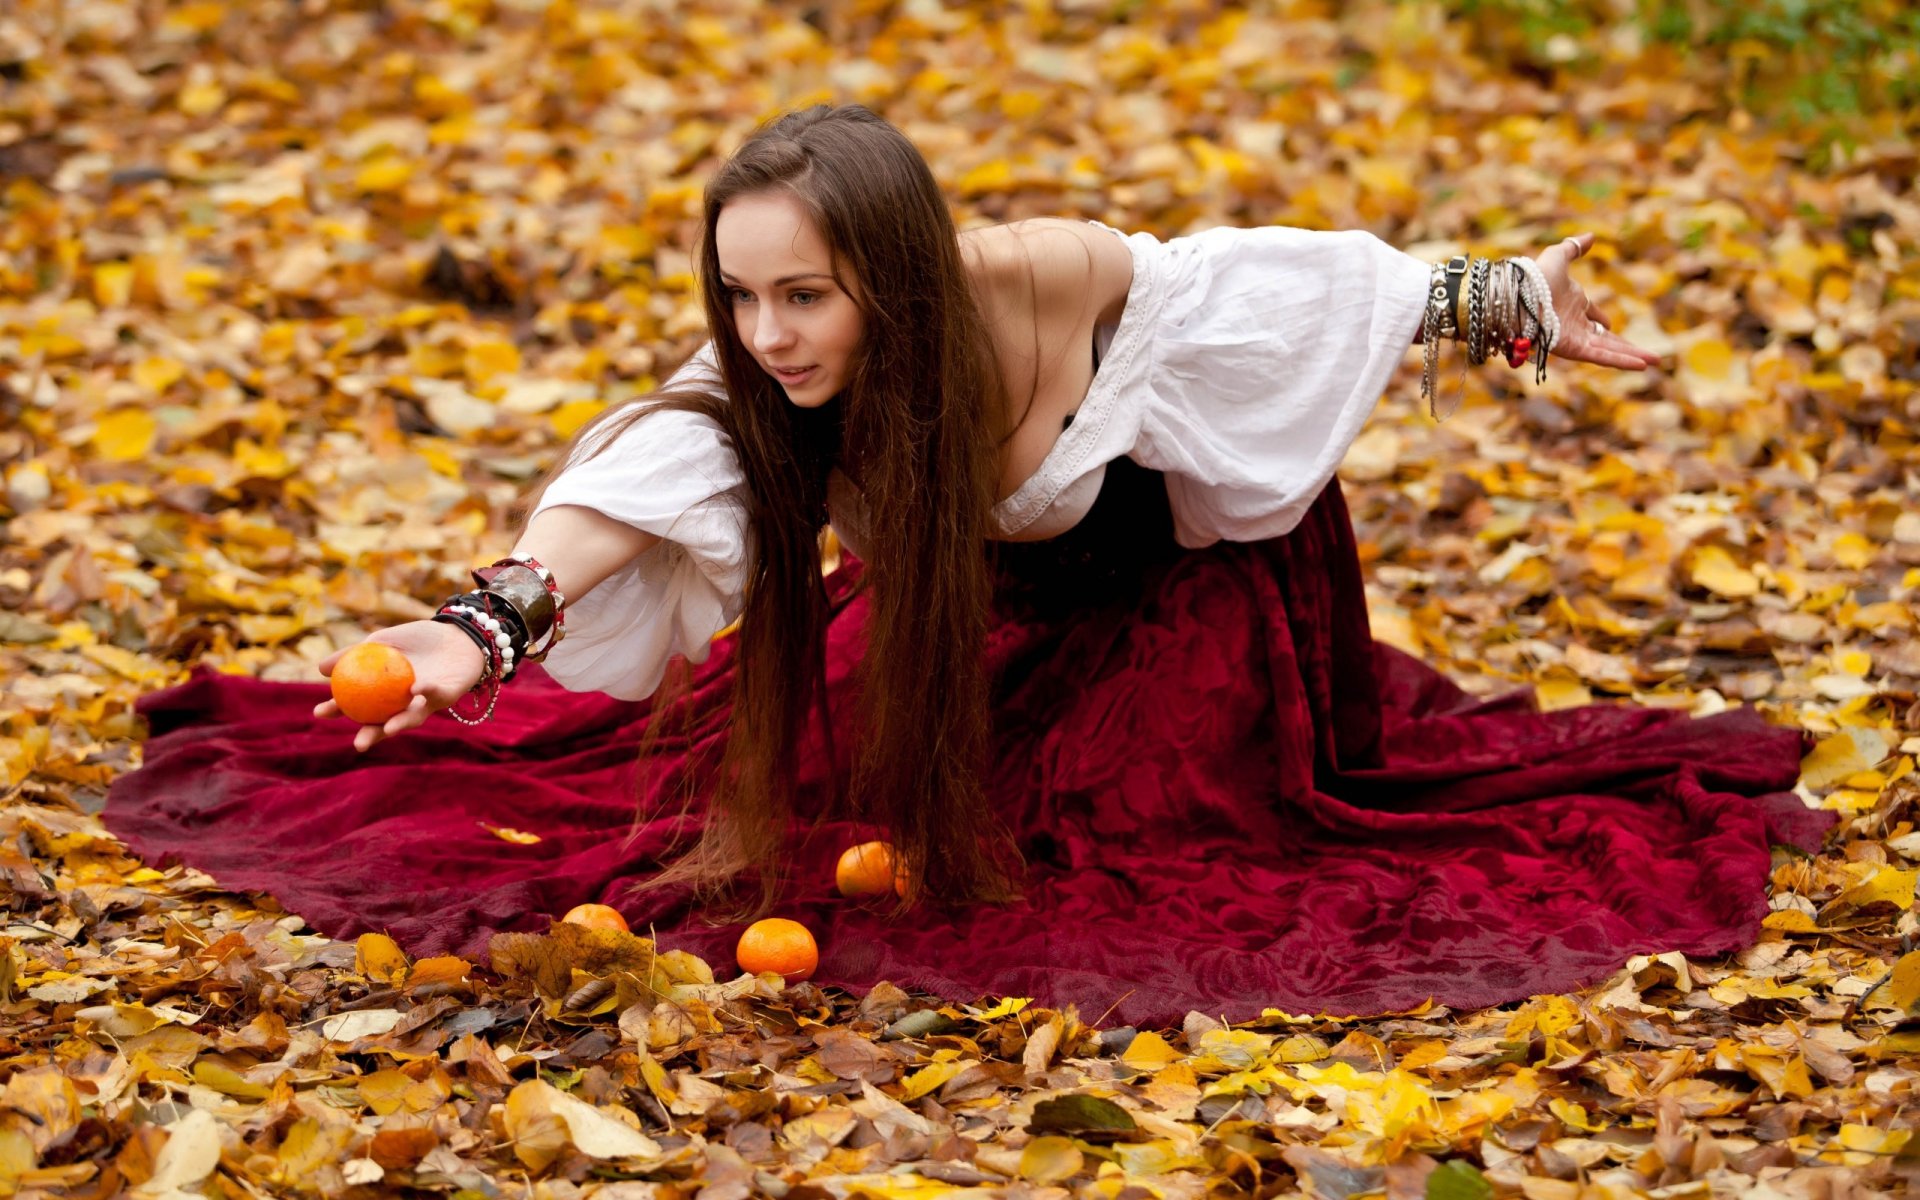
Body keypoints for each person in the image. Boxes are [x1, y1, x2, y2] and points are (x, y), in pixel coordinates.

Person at [109, 105, 1826, 1024]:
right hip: (991, 609)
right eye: (743, 293)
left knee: (1148, 852)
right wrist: (494, 622)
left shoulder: (1039, 277)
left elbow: (1279, 285)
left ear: (903, 274)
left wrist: (1503, 301)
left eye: (809, 294)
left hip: (1197, 599)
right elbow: (651, 468)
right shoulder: (770, 385)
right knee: (767, 789)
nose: (768, 331)